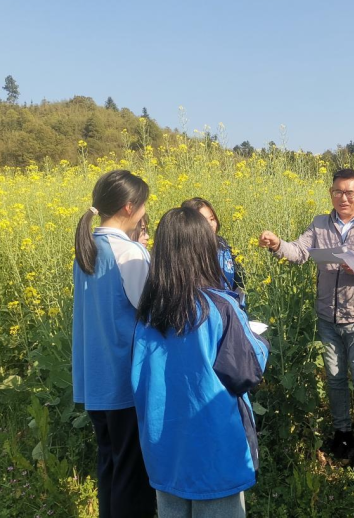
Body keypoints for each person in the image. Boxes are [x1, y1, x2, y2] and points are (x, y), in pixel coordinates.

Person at [131, 207, 269, 518]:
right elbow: (244, 374)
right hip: (215, 448)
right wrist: (260, 342)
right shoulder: (220, 307)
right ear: (205, 250)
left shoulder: (149, 311)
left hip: (164, 447)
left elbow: (139, 376)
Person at [258, 168, 354, 468]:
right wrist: (278, 245)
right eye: (337, 192)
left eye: (350, 193)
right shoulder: (319, 224)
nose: (343, 198)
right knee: (334, 377)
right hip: (327, 315)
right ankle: (342, 431)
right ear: (330, 193)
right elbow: (301, 252)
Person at [72, 169, 155, 518]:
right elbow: (153, 312)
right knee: (132, 477)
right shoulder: (130, 253)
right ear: (129, 206)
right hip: (126, 381)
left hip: (95, 380)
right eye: (143, 206)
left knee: (109, 464)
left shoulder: (89, 247)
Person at [182, 197, 247, 308]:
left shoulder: (224, 248)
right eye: (204, 221)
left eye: (212, 219)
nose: (211, 225)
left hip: (229, 311)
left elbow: (239, 284)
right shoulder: (184, 255)